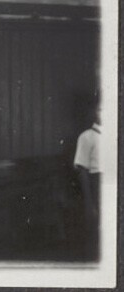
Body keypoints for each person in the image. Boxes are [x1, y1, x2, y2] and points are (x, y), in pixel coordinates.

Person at [74, 102, 101, 257]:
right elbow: (82, 170)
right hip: (96, 186)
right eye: (100, 110)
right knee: (95, 230)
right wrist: (89, 203)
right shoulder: (87, 137)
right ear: (94, 112)